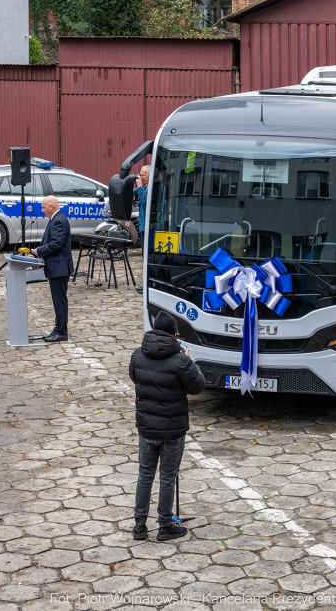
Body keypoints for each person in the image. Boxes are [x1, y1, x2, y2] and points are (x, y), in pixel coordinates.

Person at [128, 311, 205, 542]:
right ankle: (165, 526)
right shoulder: (181, 360)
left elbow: (135, 378)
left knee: (145, 476)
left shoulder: (137, 355)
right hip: (172, 429)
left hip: (147, 428)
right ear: (174, 333)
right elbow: (197, 387)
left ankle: (139, 527)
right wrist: (190, 362)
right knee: (168, 477)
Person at [31, 195, 72, 343]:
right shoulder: (56, 218)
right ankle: (59, 329)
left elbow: (57, 244)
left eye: (43, 207)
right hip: (57, 266)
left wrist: (39, 251)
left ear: (51, 206)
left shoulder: (59, 220)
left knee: (59, 301)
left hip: (59, 267)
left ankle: (61, 331)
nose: (42, 210)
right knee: (58, 300)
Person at [134, 165, 150, 294]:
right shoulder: (146, 187)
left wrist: (139, 187)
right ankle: (145, 285)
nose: (141, 177)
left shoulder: (155, 187)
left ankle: (148, 286)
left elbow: (146, 201)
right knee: (145, 256)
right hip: (144, 224)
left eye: (143, 174)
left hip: (150, 226)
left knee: (148, 257)